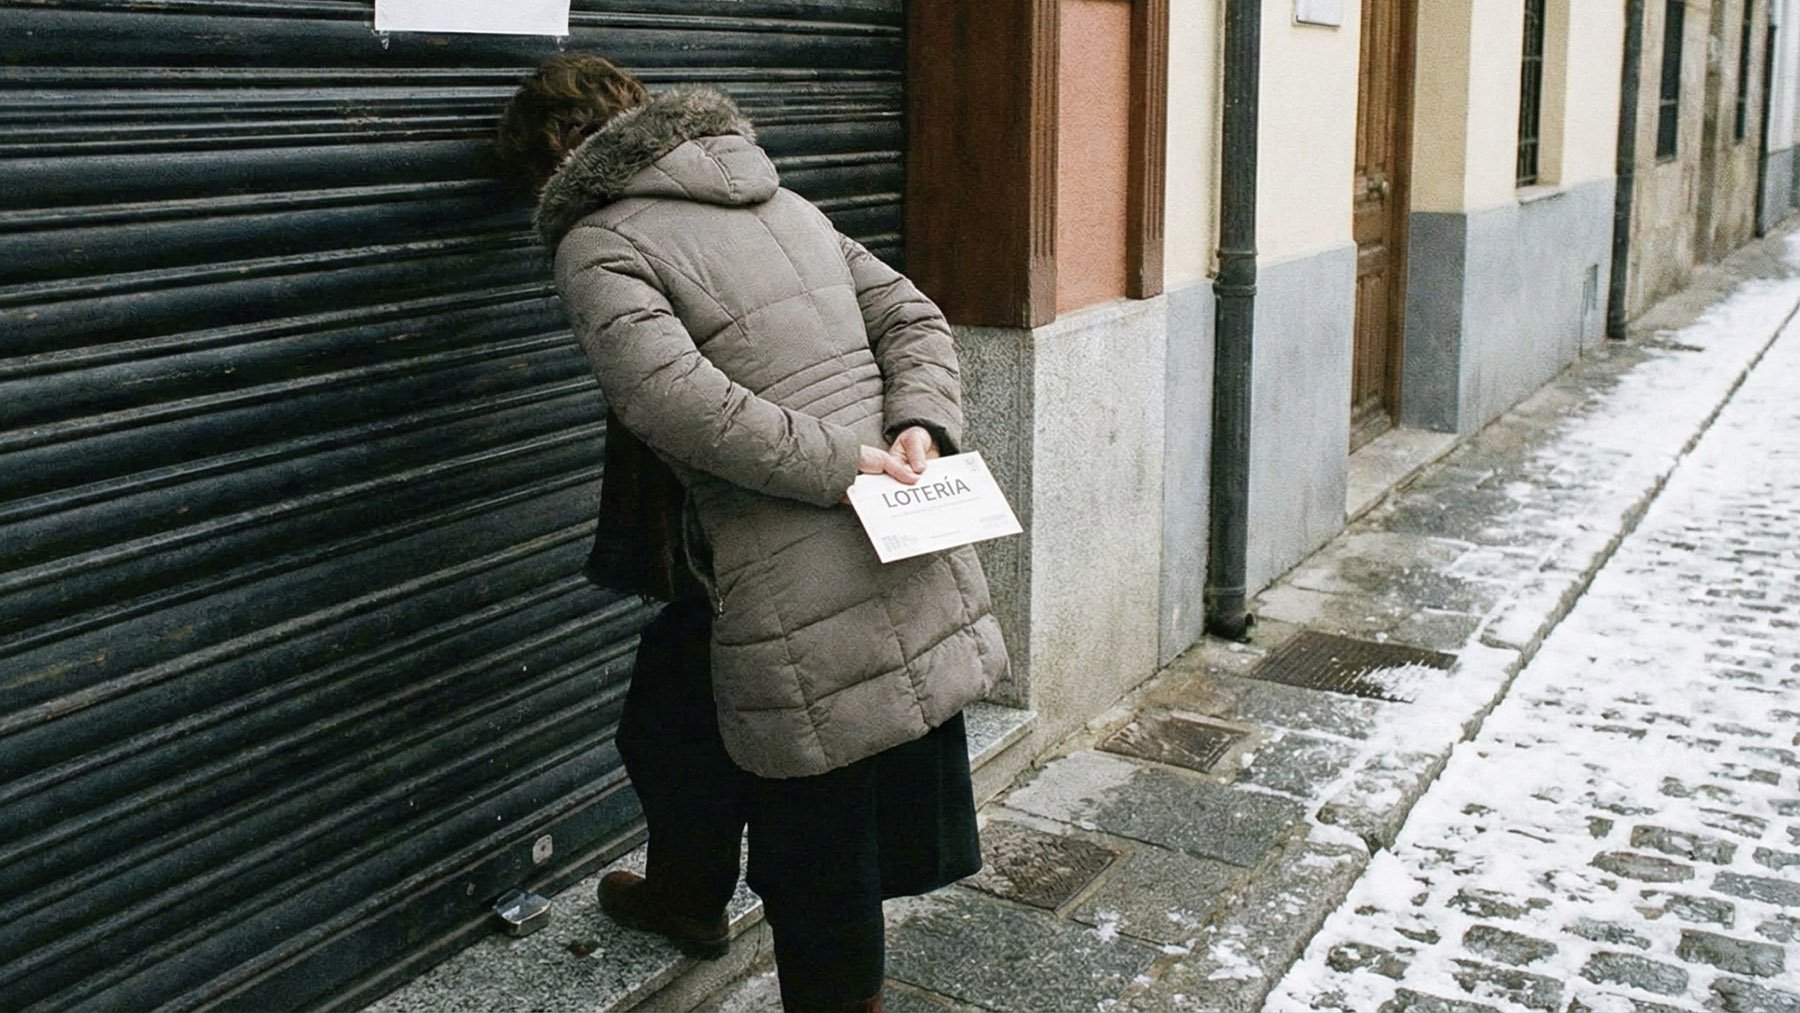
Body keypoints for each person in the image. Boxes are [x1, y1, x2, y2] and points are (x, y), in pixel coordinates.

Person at [495, 56, 1011, 1013]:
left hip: (789, 562)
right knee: (667, 717)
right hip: (835, 534)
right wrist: (919, 427)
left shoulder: (596, 239)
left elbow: (674, 402)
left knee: (820, 827)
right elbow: (913, 312)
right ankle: (688, 894)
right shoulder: (780, 200)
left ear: (560, 154)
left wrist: (852, 459)